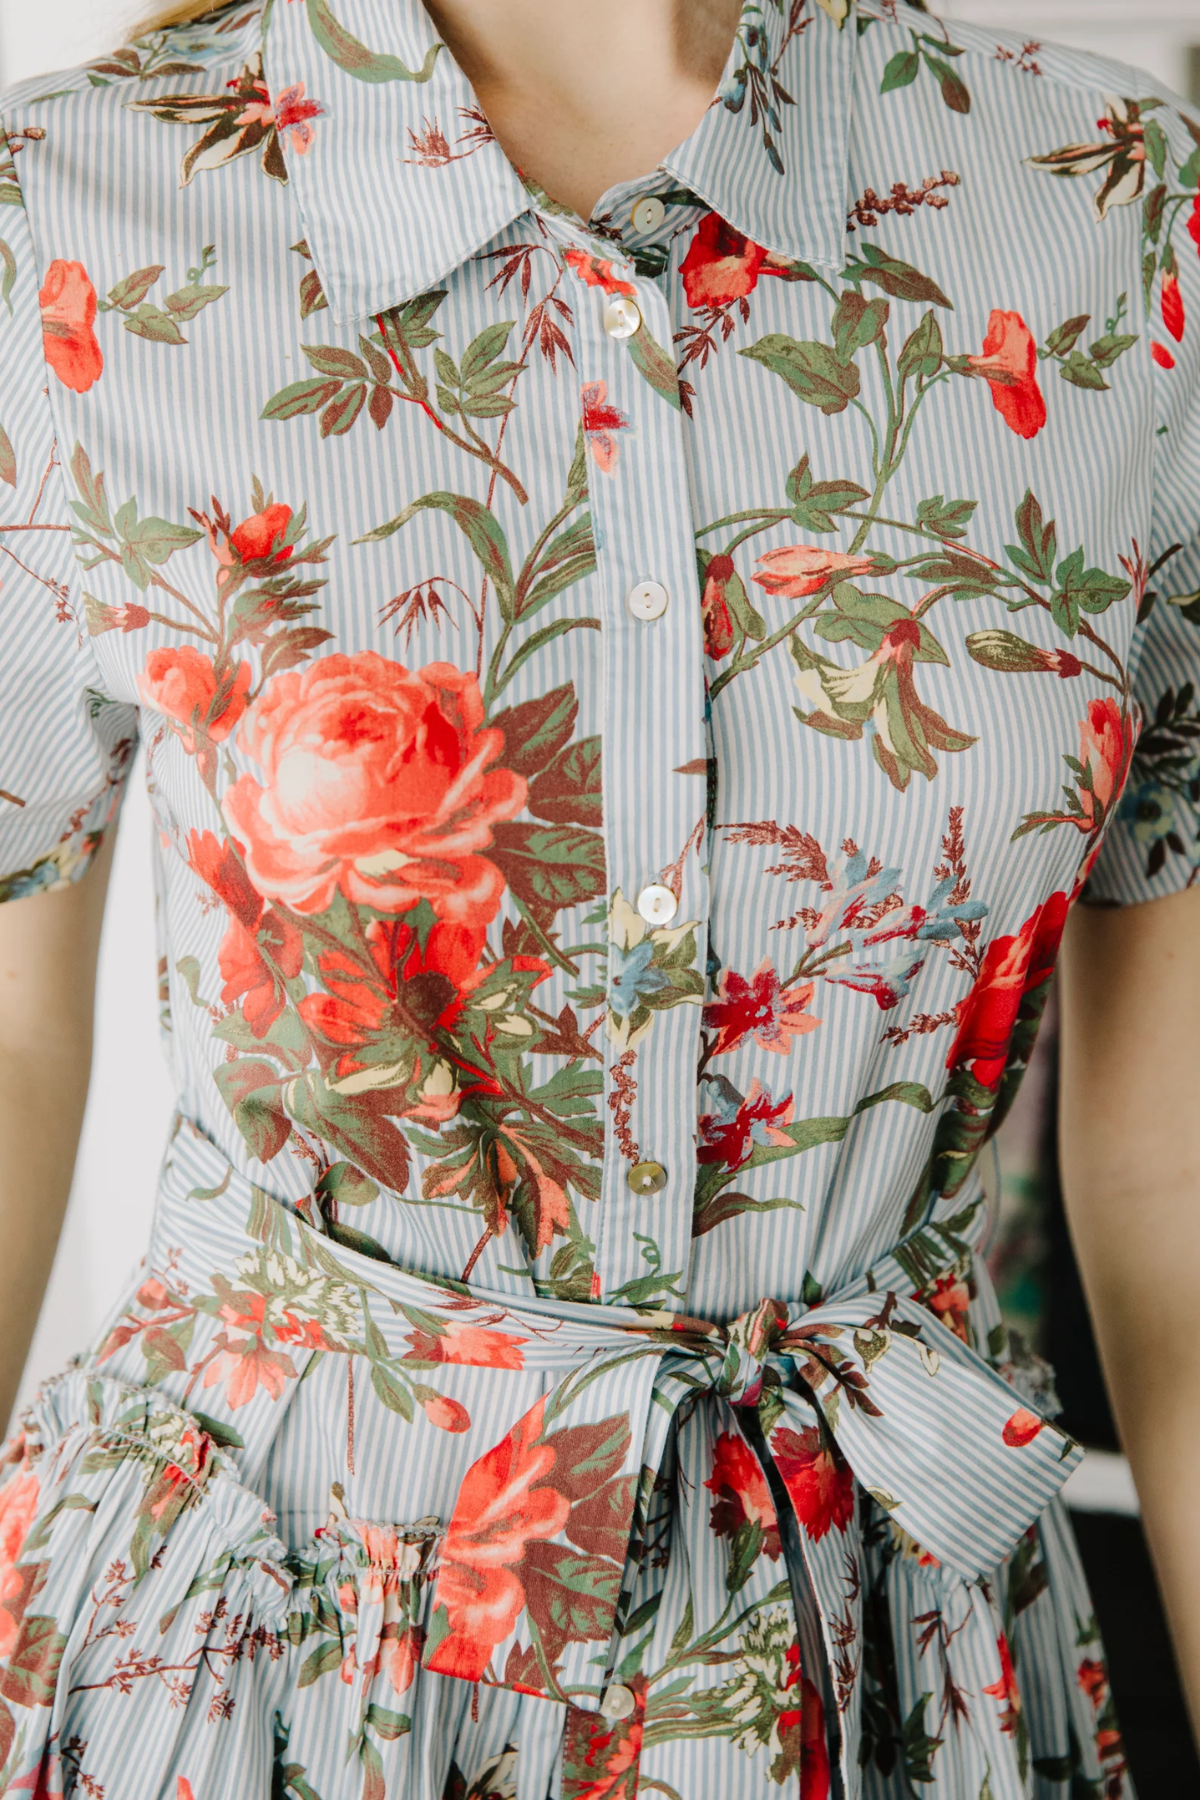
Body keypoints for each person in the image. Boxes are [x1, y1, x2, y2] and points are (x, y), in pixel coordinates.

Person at [0, 0, 1197, 1792]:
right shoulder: (74, 209)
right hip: (273, 1657)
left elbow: (1169, 1164)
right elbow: (15, 1035)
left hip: (887, 1657)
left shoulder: (1115, 217)